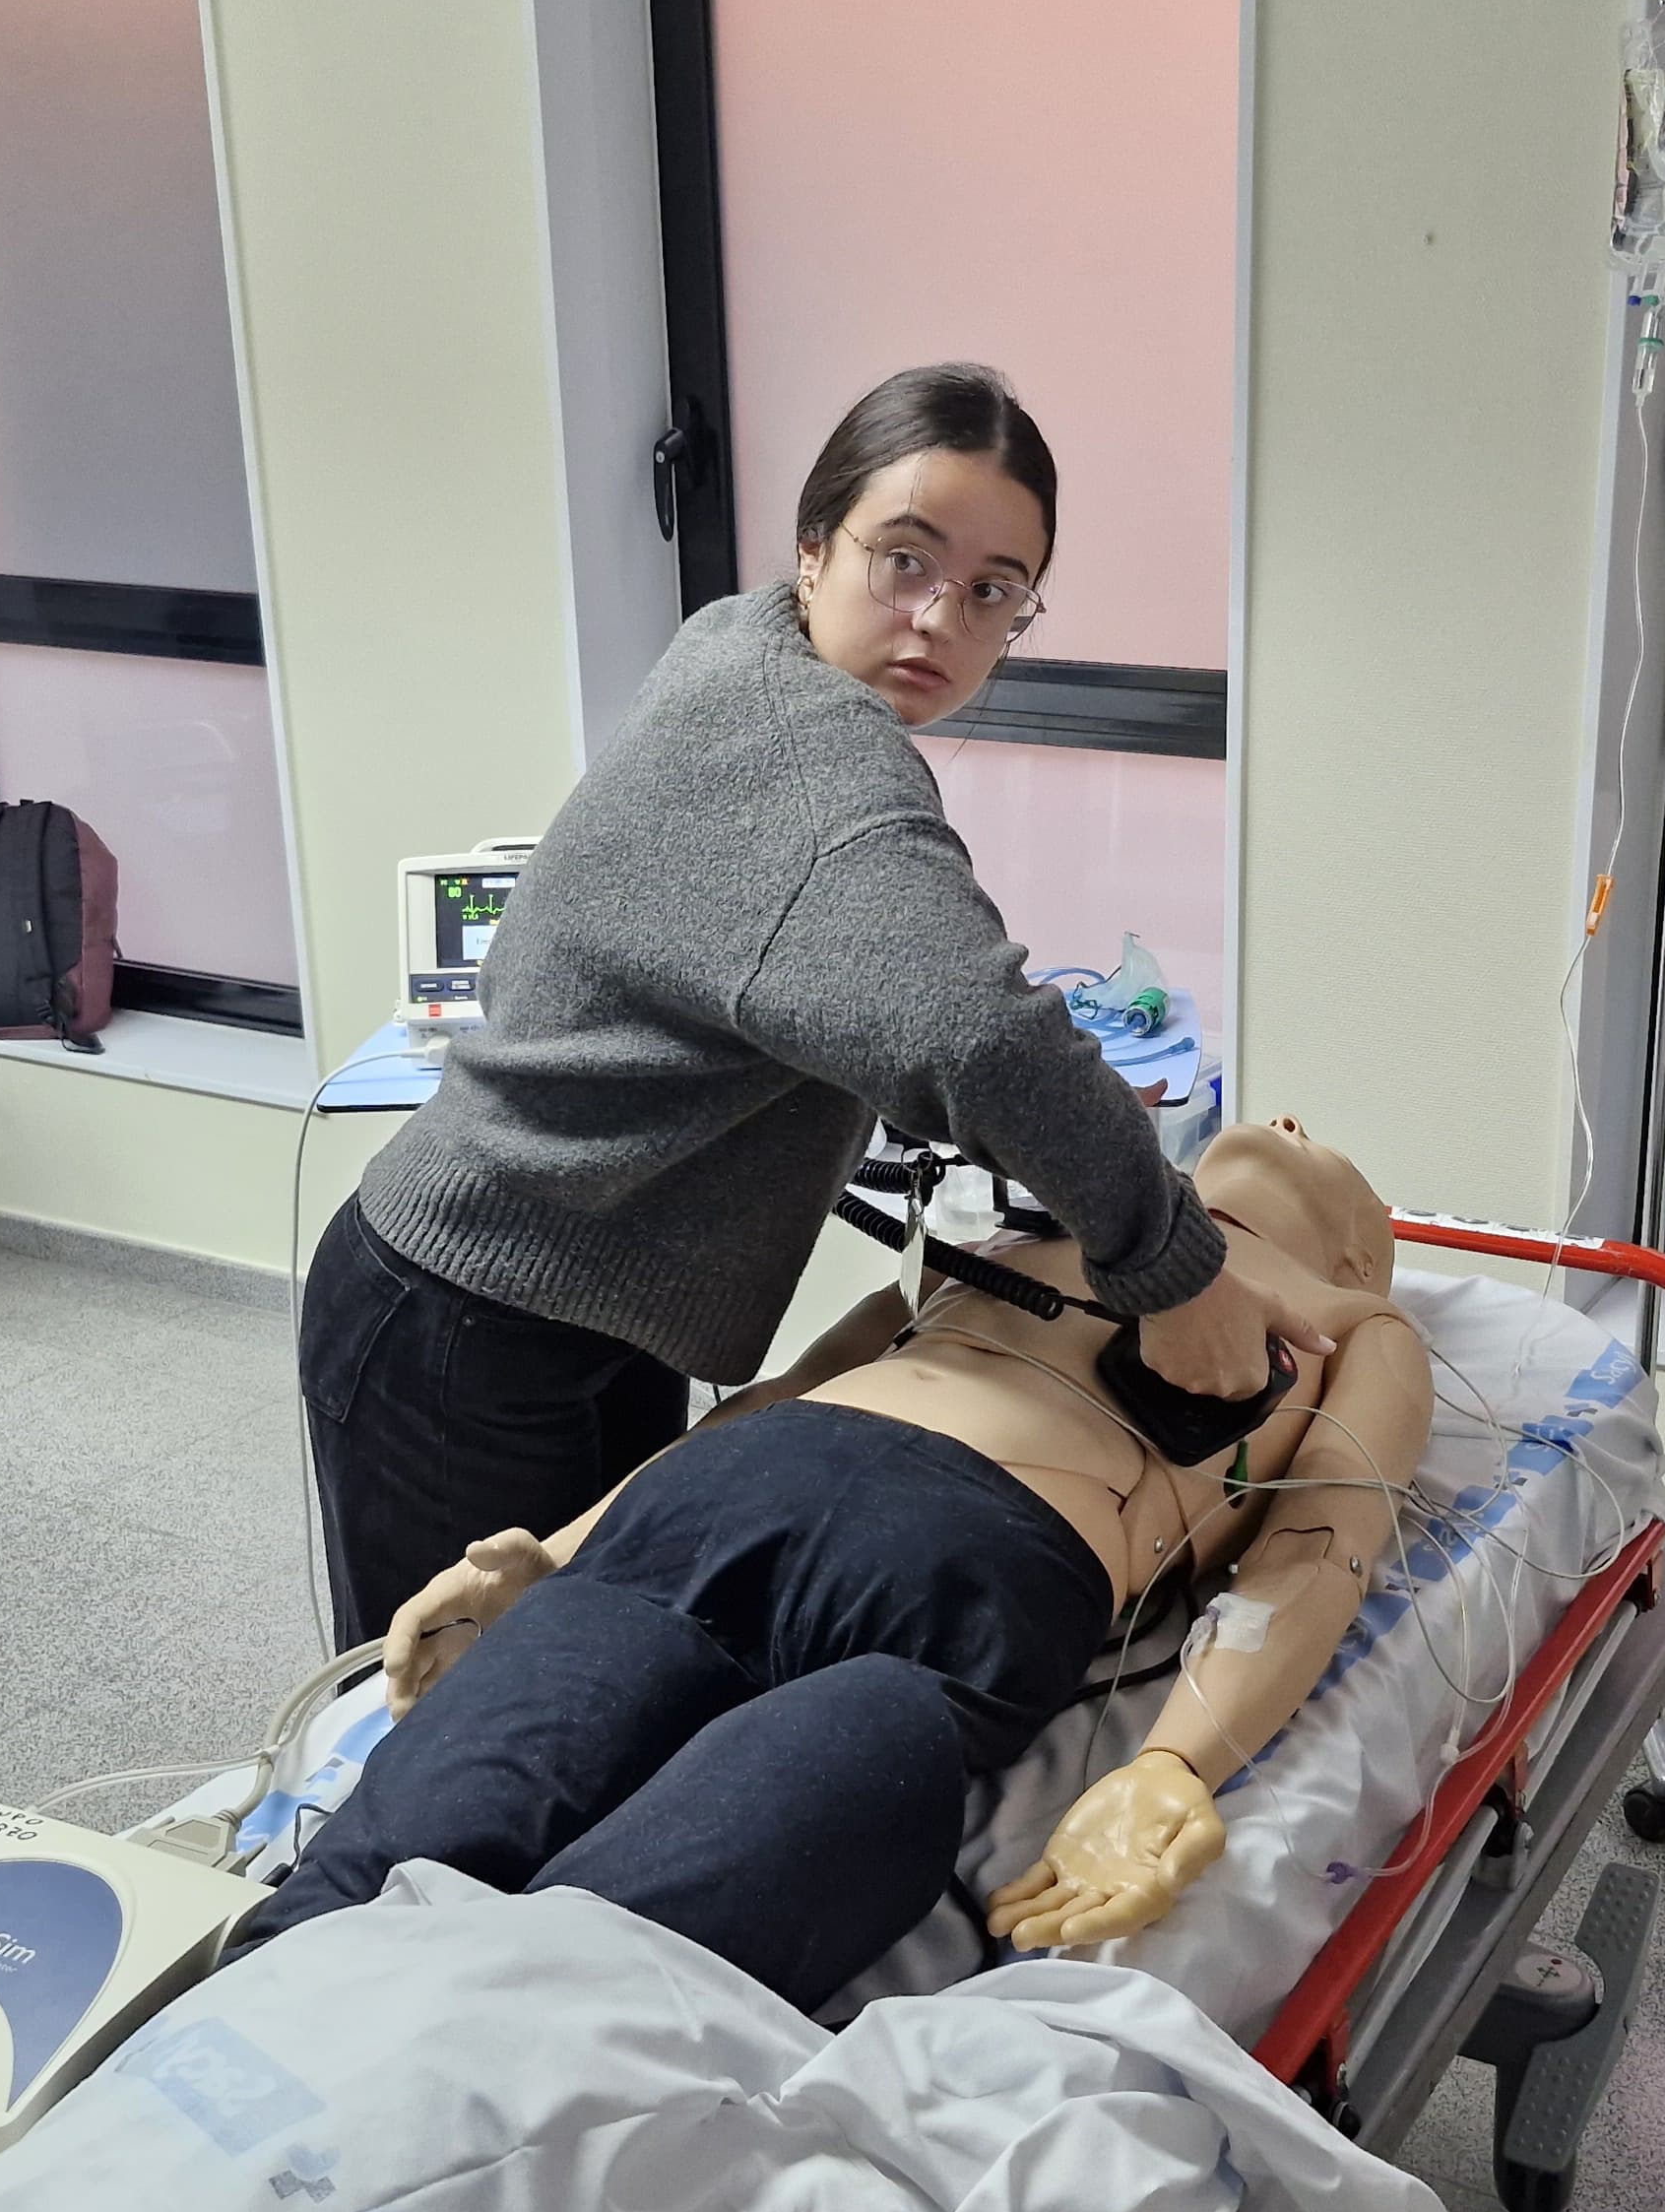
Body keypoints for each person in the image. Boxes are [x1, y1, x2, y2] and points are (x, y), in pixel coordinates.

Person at [301, 362, 1326, 1647]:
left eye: (994, 592)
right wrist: (1180, 1269)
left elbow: (848, 986)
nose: (940, 619)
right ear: (811, 546)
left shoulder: (742, 644)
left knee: (565, 1655)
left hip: (572, 1303)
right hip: (466, 1327)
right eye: (905, 560)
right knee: (424, 1722)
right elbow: (978, 1034)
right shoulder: (814, 764)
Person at [241, 1118, 1427, 2011]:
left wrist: (1176, 1765)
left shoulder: (1354, 1323)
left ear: (1363, 1260)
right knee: (357, 1887)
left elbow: (1323, 1545)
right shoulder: (1032, 1235)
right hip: (693, 1523)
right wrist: (552, 1552)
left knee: (597, 1962)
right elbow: (774, 1396)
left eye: (1319, 1138)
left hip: (960, 1580)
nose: (1281, 1122)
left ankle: (480, 2084)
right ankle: (242, 2032)